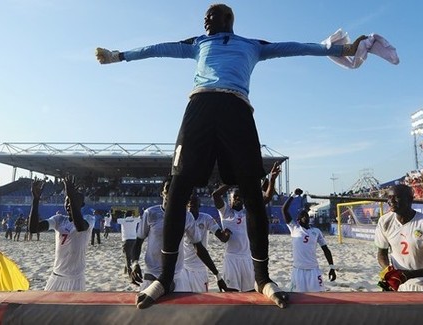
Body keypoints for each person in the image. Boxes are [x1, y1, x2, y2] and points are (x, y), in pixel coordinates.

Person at [96, 3, 366, 308]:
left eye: (211, 16)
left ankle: (262, 278)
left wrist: (341, 48)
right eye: (205, 18)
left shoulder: (251, 46)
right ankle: (165, 277)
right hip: (199, 108)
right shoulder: (199, 43)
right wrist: (120, 56)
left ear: (228, 19)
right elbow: (160, 48)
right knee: (178, 188)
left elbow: (294, 47)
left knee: (252, 191)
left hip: (237, 108)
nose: (206, 21)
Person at [130, 178, 228, 297]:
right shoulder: (150, 213)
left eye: (173, 189)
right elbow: (138, 242)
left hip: (176, 276)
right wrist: (135, 263)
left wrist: (217, 274)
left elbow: (199, 247)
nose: (171, 192)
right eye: (167, 189)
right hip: (152, 273)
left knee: (178, 313)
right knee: (149, 312)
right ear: (162, 192)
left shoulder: (187, 217)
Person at [210, 162, 281, 292]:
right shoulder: (225, 212)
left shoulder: (248, 210)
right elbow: (215, 195)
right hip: (231, 258)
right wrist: (231, 181)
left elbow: (267, 196)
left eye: (240, 197)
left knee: (251, 293)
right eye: (234, 197)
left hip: (248, 258)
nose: (237, 199)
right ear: (229, 199)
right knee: (231, 293)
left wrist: (272, 179)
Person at [374, 184, 423, 291]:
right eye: (389, 197)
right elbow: (381, 253)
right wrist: (389, 272)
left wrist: (409, 275)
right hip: (399, 286)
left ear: (410, 199)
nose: (391, 201)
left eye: (396, 197)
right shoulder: (384, 222)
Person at [28, 176, 95, 291]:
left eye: (73, 200)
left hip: (76, 278)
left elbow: (79, 226)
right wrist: (36, 200)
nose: (69, 203)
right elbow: (34, 228)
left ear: (82, 205)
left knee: (74, 309)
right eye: (67, 201)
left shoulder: (89, 219)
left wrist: (71, 195)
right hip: (56, 276)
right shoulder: (58, 219)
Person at [282, 189, 336, 292]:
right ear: (298, 220)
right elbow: (284, 210)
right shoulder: (294, 228)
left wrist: (332, 267)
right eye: (302, 215)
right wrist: (293, 195)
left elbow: (326, 250)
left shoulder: (316, 231)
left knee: (318, 298)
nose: (305, 215)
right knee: (297, 299)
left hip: (313, 270)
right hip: (298, 270)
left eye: (306, 214)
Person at [183, 193, 231, 292]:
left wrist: (226, 234)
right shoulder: (182, 220)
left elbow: (221, 237)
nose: (191, 209)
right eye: (189, 206)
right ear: (186, 206)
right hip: (183, 268)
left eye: (194, 206)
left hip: (200, 268)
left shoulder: (206, 218)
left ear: (199, 206)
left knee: (201, 303)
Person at [116, 210, 141, 278]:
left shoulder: (123, 220)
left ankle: (130, 274)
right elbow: (140, 218)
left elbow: (117, 220)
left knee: (127, 257)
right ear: (131, 215)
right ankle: (126, 270)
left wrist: (121, 214)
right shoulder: (135, 220)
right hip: (134, 239)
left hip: (126, 240)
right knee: (132, 256)